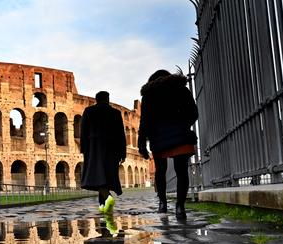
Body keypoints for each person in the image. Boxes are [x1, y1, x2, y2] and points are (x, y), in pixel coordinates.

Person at [138, 70, 198, 219]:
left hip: (159, 139)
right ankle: (180, 207)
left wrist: (142, 144)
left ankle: (162, 203)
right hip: (181, 135)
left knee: (160, 171)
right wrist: (183, 124)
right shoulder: (181, 89)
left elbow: (144, 121)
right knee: (182, 172)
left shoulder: (149, 95)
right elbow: (193, 113)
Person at [80, 91, 127, 213]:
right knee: (107, 176)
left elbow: (83, 130)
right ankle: (104, 205)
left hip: (94, 147)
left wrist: (84, 148)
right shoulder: (115, 113)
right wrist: (123, 152)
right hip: (112, 147)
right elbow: (121, 134)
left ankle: (107, 199)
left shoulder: (89, 111)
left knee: (97, 175)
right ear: (108, 99)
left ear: (96, 100)